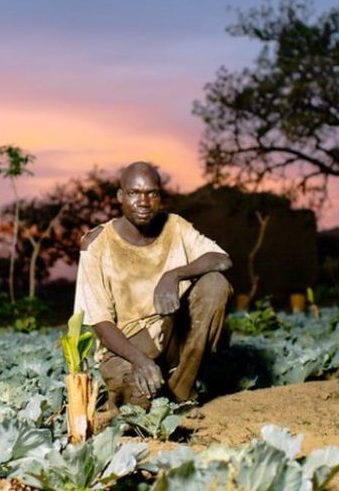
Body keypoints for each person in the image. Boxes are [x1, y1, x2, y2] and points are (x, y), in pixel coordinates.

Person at [73, 161, 232, 409]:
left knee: (215, 284)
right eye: (134, 193)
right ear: (120, 196)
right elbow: (100, 322)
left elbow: (222, 259)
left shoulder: (175, 226)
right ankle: (139, 387)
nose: (144, 202)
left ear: (160, 197)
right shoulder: (96, 245)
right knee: (139, 405)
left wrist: (175, 274)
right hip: (127, 346)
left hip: (171, 335)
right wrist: (139, 360)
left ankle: (183, 387)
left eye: (152, 193)